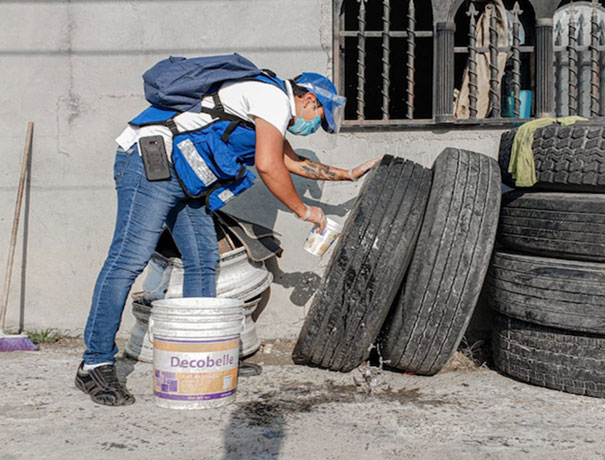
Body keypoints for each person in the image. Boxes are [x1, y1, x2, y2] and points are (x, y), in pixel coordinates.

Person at [75, 71, 380, 406]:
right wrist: (304, 211)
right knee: (128, 260)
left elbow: (291, 161)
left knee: (203, 260)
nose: (314, 125)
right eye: (318, 117)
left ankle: (201, 353)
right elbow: (268, 166)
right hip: (150, 161)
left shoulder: (270, 108)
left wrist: (349, 174)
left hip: (184, 177)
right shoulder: (272, 98)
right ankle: (95, 364)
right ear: (309, 99)